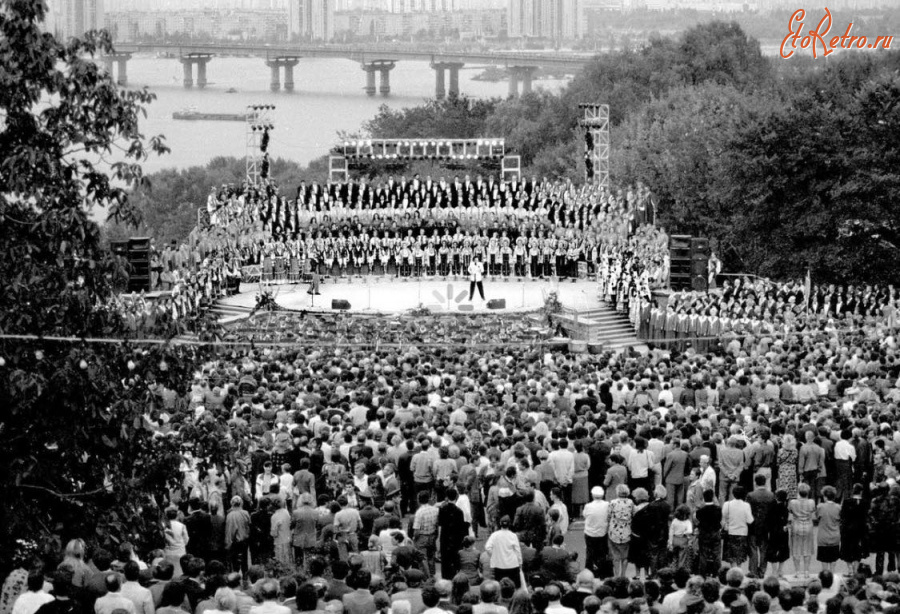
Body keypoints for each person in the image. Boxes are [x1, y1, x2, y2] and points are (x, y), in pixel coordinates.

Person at [746, 473, 776, 578]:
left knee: (753, 548)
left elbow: (748, 510)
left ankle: (753, 570)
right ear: (765, 482)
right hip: (766, 526)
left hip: (753, 525)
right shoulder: (771, 495)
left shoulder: (751, 495)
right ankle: (762, 570)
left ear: (755, 482)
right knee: (764, 549)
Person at [484, 516, 523, 589]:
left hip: (499, 565)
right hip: (513, 565)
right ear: (509, 524)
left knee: (500, 587)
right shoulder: (513, 535)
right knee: (515, 587)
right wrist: (520, 562)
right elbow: (517, 551)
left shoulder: (495, 535)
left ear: (500, 524)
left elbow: (487, 547)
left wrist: (494, 556)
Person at [788, 481, 816, 579]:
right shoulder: (812, 502)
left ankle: (797, 572)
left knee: (796, 549)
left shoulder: (792, 502)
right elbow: (813, 511)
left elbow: (790, 511)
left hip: (796, 526)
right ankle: (807, 571)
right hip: (808, 526)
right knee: (807, 550)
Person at [840, 483, 868, 575]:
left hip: (848, 528)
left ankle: (850, 569)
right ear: (861, 491)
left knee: (847, 548)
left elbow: (842, 515)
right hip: (860, 529)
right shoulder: (864, 502)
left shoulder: (847, 502)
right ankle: (856, 570)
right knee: (858, 549)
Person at [816, 486, 842, 573]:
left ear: (825, 496)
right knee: (833, 559)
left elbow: (817, 517)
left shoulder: (820, 506)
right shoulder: (838, 507)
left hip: (823, 536)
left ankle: (825, 574)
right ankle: (832, 573)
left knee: (824, 559)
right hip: (835, 536)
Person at [766, 489, 790, 579]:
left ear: (776, 497)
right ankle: (780, 570)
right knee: (783, 550)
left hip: (774, 531)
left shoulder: (772, 507)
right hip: (783, 531)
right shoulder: (785, 508)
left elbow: (768, 520)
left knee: (773, 550)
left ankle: (774, 570)